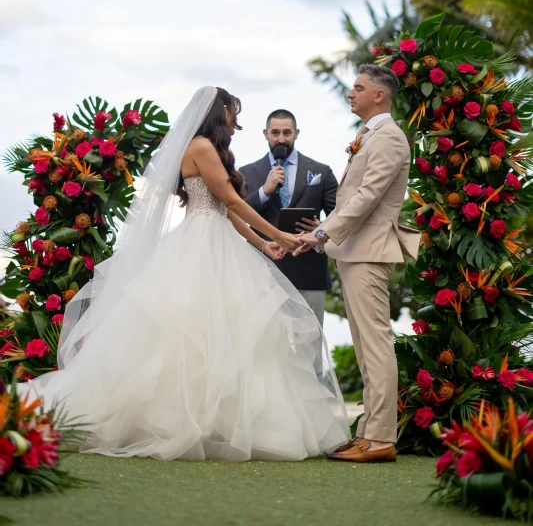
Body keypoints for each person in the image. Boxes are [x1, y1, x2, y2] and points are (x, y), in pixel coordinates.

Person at [26, 87, 349, 462]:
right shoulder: (200, 147)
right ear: (220, 112)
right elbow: (230, 201)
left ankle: (218, 423)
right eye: (233, 112)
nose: (237, 121)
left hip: (220, 239)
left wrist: (262, 246)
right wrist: (278, 234)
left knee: (231, 333)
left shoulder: (211, 150)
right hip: (200, 244)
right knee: (192, 332)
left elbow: (227, 210)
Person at [296, 65, 420, 464]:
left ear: (379, 95)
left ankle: (381, 438)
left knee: (376, 344)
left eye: (358, 88)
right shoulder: (369, 135)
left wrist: (321, 234)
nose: (351, 94)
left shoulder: (390, 138)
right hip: (355, 250)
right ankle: (368, 431)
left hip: (369, 250)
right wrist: (326, 232)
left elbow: (366, 197)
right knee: (366, 347)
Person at [240, 109, 338, 329]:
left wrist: (321, 228)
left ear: (297, 133)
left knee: (311, 347)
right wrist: (265, 190)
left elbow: (340, 216)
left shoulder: (322, 171)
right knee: (268, 346)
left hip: (309, 272)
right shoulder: (246, 173)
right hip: (263, 272)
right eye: (275, 132)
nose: (281, 139)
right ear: (265, 133)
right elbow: (236, 212)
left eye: (287, 132)